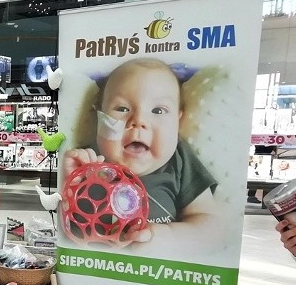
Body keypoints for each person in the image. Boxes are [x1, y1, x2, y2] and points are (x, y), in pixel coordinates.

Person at [61, 58, 219, 250]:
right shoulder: (87, 162)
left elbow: (210, 224)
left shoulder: (179, 160)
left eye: (158, 110)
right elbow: (67, 229)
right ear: (99, 116)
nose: (139, 121)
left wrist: (166, 236)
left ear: (178, 120)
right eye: (122, 109)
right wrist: (69, 183)